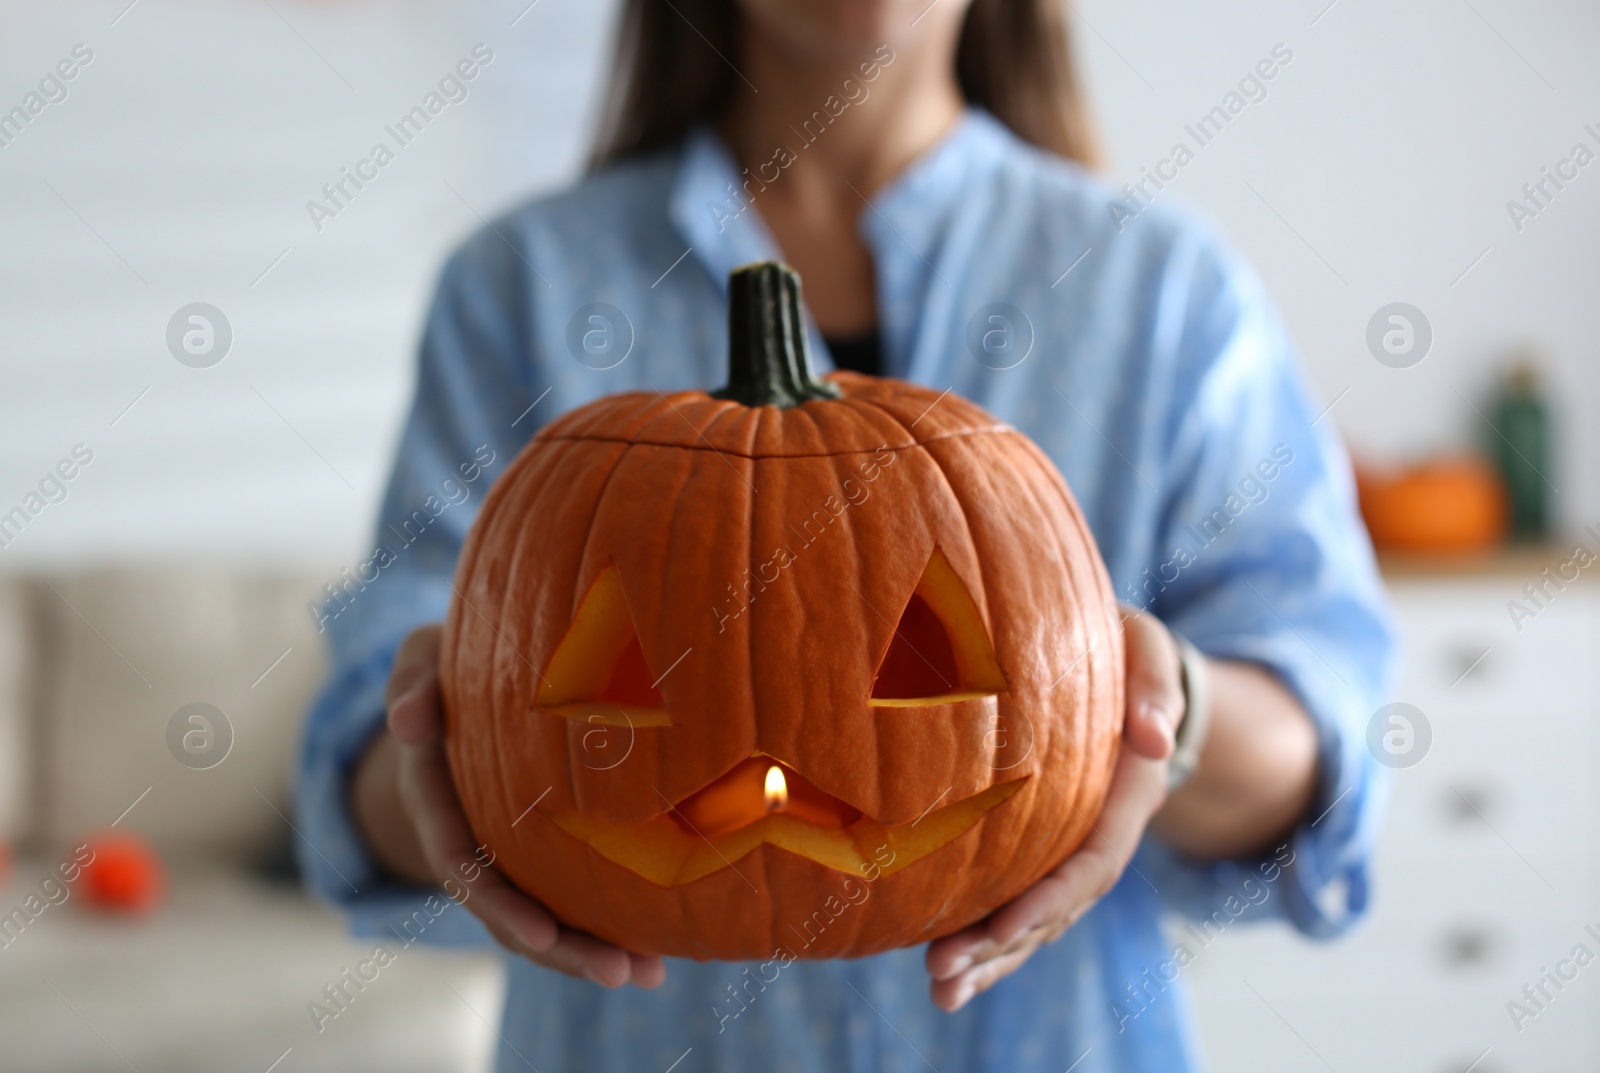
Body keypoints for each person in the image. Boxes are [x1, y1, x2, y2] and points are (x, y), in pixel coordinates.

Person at [297, 1, 1396, 1070]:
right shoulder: (515, 286)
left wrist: (1166, 713)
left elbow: (1331, 739)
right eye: (638, 677)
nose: (780, 762)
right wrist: (450, 758)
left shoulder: (1167, 286)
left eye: (913, 668)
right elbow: (364, 764)